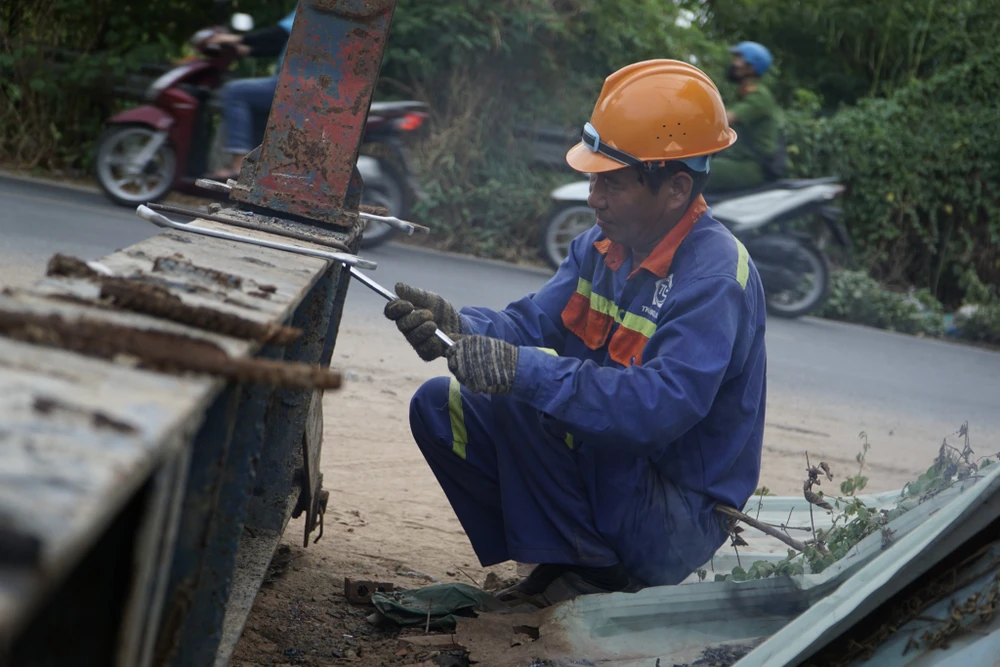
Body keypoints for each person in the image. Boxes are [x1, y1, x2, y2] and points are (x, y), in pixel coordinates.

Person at [382, 60, 768, 606]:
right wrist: (459, 326)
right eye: (593, 177)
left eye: (610, 181)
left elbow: (655, 411)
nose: (593, 197)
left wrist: (522, 372)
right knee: (440, 406)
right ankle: (569, 561)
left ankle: (602, 575)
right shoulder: (601, 246)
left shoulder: (713, 278)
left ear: (676, 188)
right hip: (618, 474)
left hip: (675, 514)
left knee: (528, 398)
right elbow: (530, 324)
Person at [204, 6, 297, 180]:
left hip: (293, 85)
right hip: (308, 85)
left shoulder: (316, 4)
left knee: (236, 91)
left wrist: (235, 38)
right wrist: (248, 51)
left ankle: (239, 165)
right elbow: (286, 43)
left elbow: (281, 34)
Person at [703, 41, 783, 194]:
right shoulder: (743, 95)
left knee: (692, 174)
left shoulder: (759, 96)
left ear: (751, 67)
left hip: (752, 166)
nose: (733, 63)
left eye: (738, 59)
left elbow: (724, 120)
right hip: (736, 161)